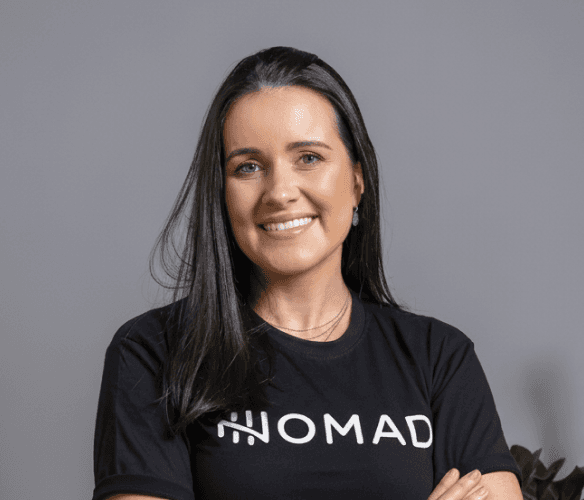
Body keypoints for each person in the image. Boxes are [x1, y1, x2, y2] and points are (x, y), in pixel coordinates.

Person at [92, 47, 523, 500]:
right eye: (248, 167)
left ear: (357, 180)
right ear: (221, 193)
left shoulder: (438, 357)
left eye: (309, 158)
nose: (279, 192)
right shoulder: (154, 353)